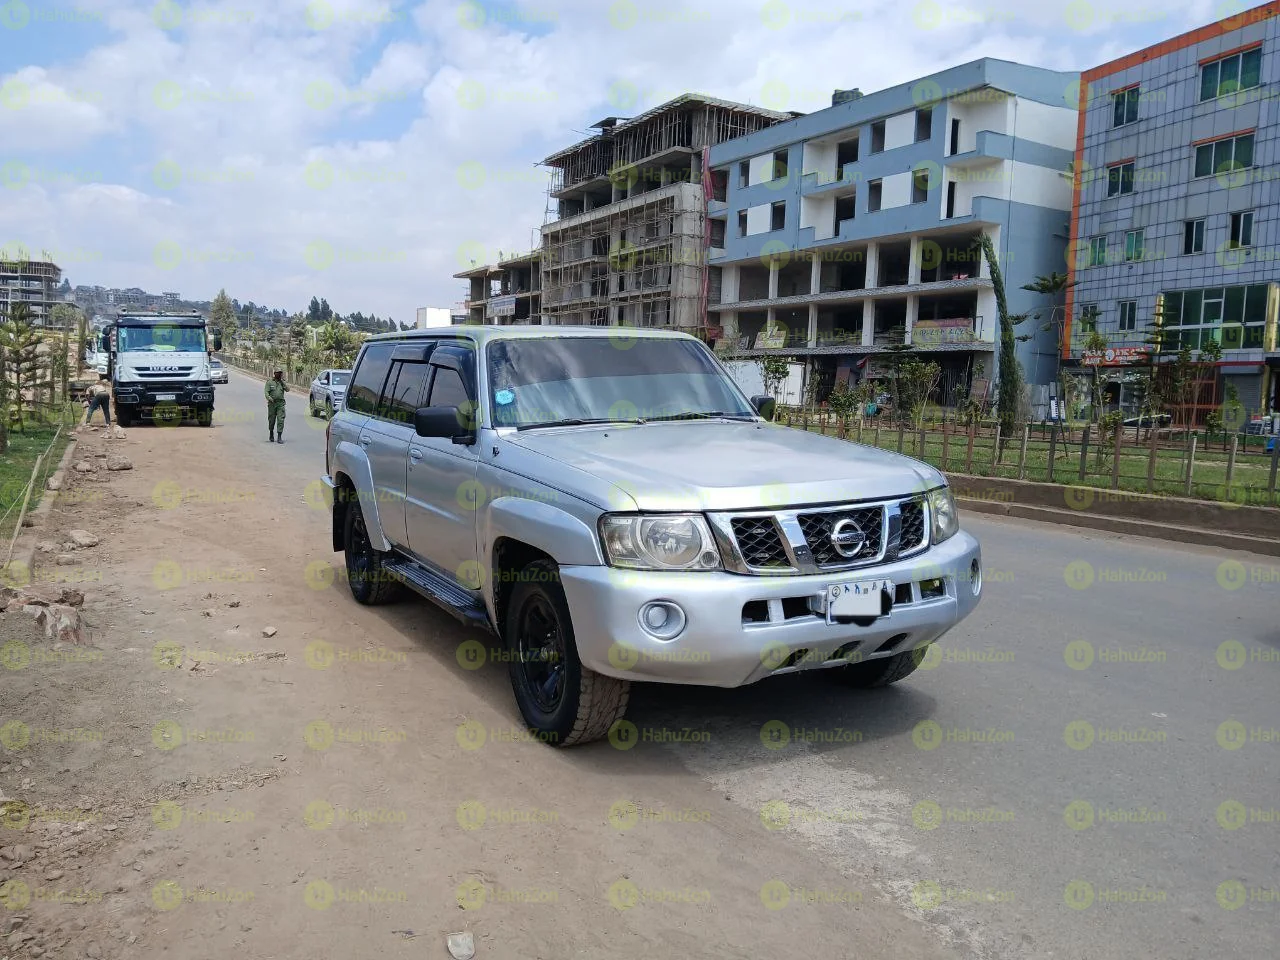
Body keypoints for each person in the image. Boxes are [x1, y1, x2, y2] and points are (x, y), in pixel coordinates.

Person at [265, 370, 287, 443]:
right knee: (271, 420)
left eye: (280, 373)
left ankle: (279, 437)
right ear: (274, 374)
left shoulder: (282, 382)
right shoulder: (270, 382)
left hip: (280, 404)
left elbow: (288, 389)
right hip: (272, 404)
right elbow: (266, 392)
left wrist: (283, 382)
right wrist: (270, 398)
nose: (279, 375)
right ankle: (271, 433)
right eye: (278, 373)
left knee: (281, 419)